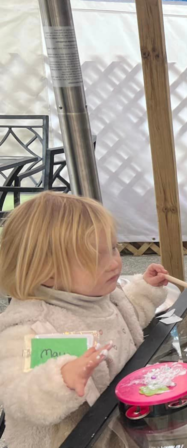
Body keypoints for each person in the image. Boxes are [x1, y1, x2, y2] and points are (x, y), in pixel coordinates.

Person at [0, 192, 169, 448]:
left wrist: (146, 290)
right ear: (46, 272)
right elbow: (18, 397)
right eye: (95, 257)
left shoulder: (100, 295)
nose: (114, 263)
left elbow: (126, 319)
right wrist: (59, 380)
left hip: (118, 422)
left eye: (113, 248)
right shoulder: (30, 328)